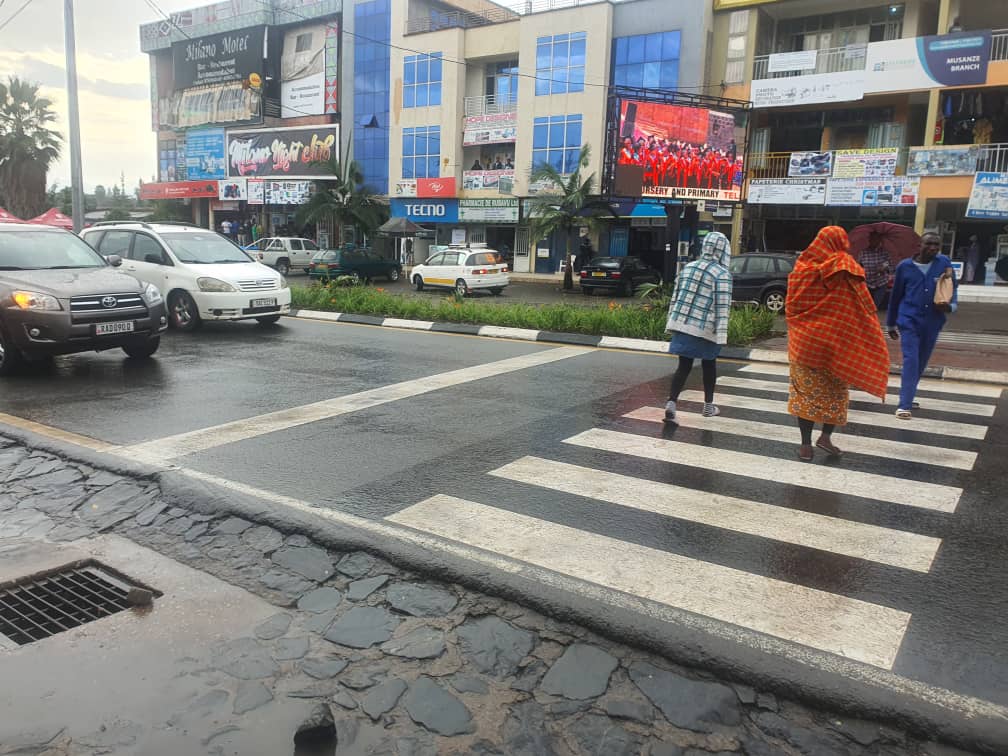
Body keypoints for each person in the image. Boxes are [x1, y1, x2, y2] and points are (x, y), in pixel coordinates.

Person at [786, 226, 890, 461]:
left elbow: (791, 305)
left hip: (805, 344)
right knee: (836, 396)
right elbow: (866, 303)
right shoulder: (846, 266)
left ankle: (805, 445)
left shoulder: (802, 268)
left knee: (806, 395)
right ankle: (825, 437)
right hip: (836, 345)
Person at [663, 232, 733, 425]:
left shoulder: (688, 268)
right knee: (709, 365)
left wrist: (671, 321)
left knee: (683, 366)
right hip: (705, 328)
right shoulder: (722, 274)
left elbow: (675, 297)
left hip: (683, 324)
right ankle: (708, 407)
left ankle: (671, 402)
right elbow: (723, 307)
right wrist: (722, 334)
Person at [887, 231, 958, 419]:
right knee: (911, 359)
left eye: (937, 244)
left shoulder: (944, 263)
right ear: (920, 245)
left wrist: (951, 306)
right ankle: (904, 405)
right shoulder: (905, 267)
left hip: (933, 320)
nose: (933, 248)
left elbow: (952, 288)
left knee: (922, 360)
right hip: (908, 319)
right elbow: (895, 296)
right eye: (929, 244)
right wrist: (891, 323)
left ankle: (908, 397)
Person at [859, 235, 891, 309]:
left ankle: (872, 319)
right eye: (871, 239)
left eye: (876, 239)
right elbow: (859, 265)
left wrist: (884, 267)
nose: (873, 241)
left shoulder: (884, 252)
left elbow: (890, 265)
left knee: (875, 306)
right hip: (867, 282)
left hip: (881, 282)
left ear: (879, 241)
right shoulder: (863, 252)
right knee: (866, 305)